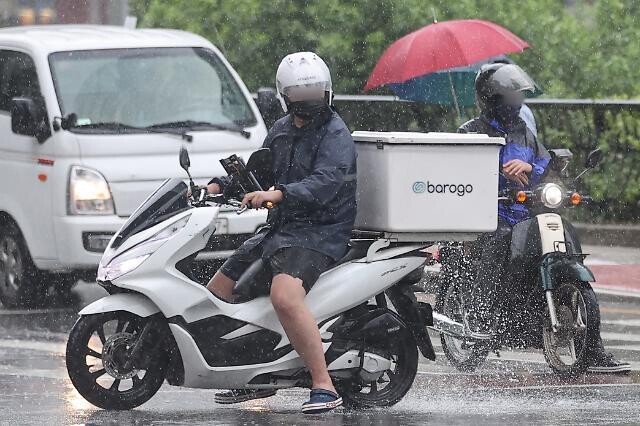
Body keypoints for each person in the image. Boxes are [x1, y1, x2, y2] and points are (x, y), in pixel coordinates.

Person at [203, 52, 357, 413]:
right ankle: (256, 376)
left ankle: (324, 383)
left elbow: (325, 184)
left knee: (285, 296)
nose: (310, 103)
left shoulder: (336, 134)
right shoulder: (282, 129)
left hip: (321, 231)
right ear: (286, 99)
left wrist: (278, 194)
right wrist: (218, 186)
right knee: (219, 291)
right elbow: (260, 169)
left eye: (316, 94)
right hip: (282, 228)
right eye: (302, 97)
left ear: (328, 93)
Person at [459, 63, 630, 373]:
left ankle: (592, 349)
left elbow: (544, 167)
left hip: (527, 213)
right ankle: (482, 314)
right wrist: (497, 172)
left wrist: (534, 170)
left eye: (518, 95)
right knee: (498, 243)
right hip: (491, 214)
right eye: (509, 95)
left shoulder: (525, 133)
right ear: (492, 97)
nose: (516, 101)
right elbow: (460, 174)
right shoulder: (471, 132)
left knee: (567, 242)